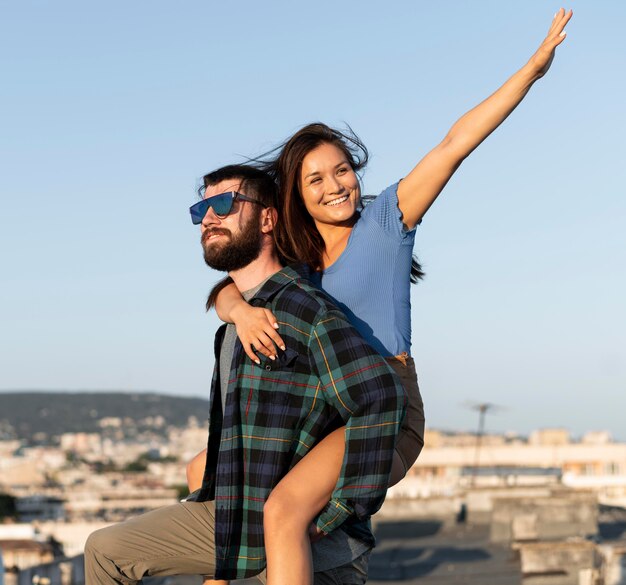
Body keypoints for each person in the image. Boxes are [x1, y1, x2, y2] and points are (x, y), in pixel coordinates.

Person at [188, 8, 573, 585]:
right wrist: (241, 312)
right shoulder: (295, 260)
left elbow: (453, 144)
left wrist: (532, 70)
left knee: (285, 510)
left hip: (382, 404)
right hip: (320, 410)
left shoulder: (386, 223)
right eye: (316, 180)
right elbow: (223, 291)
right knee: (202, 468)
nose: (336, 186)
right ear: (296, 193)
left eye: (342, 171)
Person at [83, 164, 406, 584]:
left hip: (306, 552)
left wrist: (342, 508)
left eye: (223, 204)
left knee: (105, 552)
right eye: (201, 209)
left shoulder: (302, 308)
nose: (210, 217)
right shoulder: (238, 321)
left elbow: (381, 396)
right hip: (245, 529)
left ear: (268, 219)